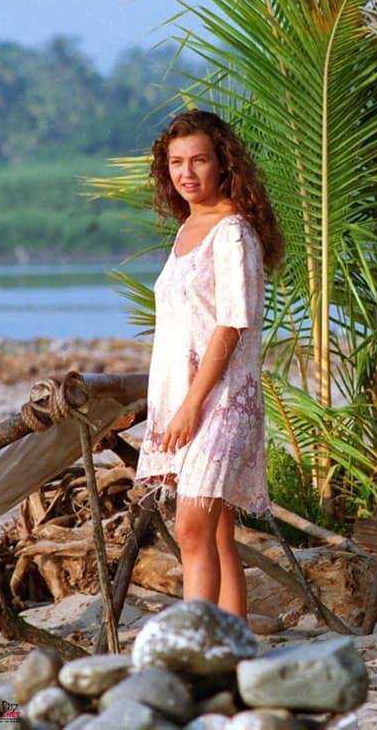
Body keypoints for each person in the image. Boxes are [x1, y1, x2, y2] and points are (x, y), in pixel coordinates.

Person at [135, 108, 284, 619]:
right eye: (176, 162)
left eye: (199, 160)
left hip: (220, 403)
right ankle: (233, 647)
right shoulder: (187, 230)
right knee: (218, 535)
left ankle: (195, 647)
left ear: (224, 164)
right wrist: (173, 405)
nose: (187, 173)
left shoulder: (233, 232)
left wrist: (191, 407)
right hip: (186, 400)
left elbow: (230, 325)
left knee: (191, 529)